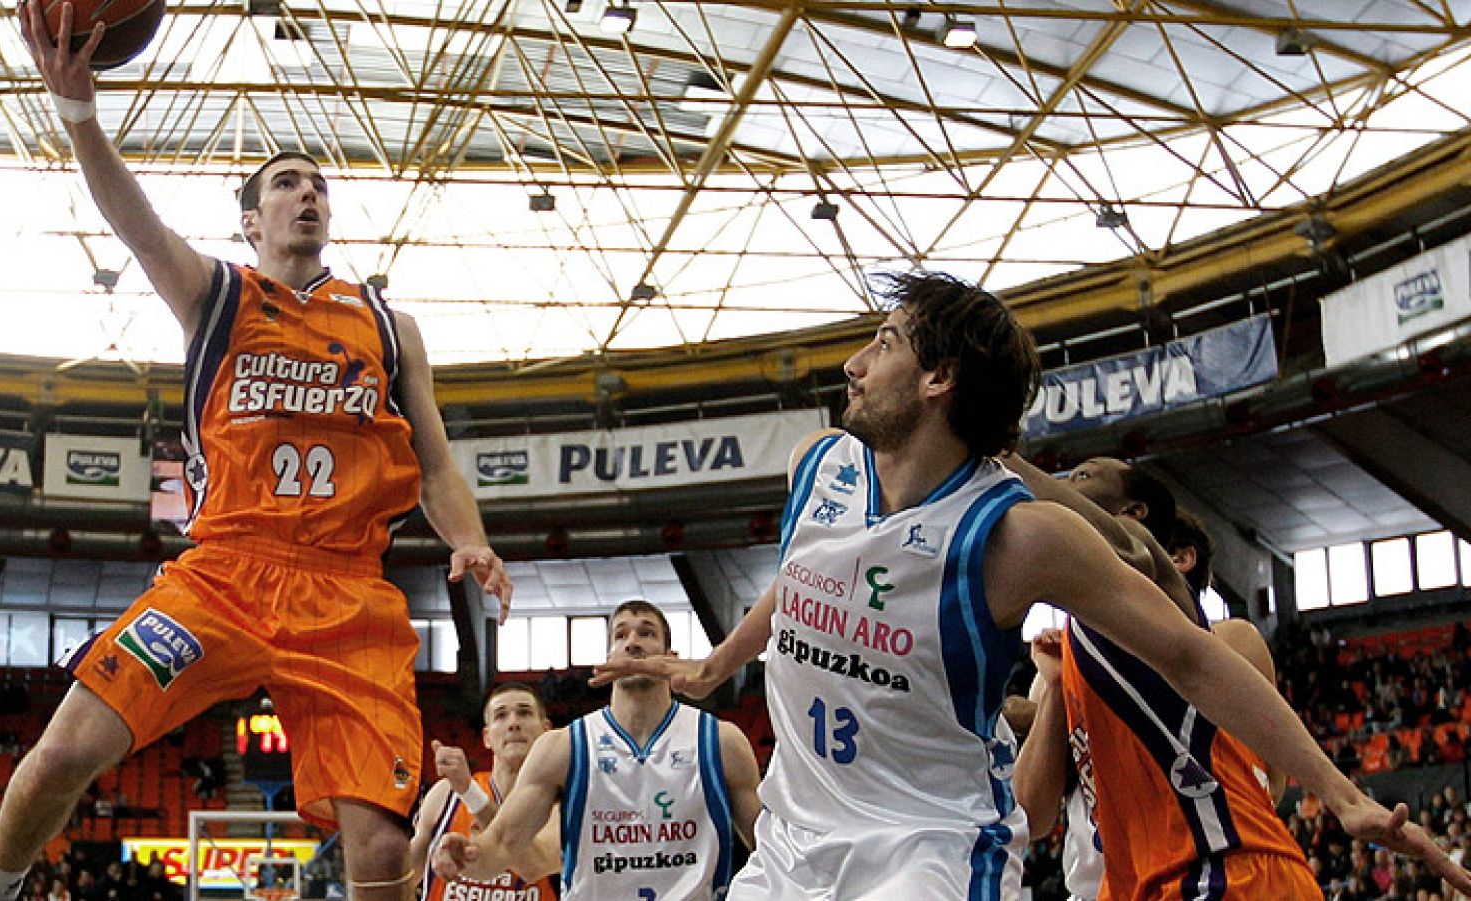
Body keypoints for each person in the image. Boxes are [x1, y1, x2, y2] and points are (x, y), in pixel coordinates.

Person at [591, 271, 1471, 900]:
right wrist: (719, 664)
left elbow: (1192, 657)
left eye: (884, 342)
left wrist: (1343, 791)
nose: (854, 363)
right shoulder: (817, 464)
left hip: (924, 850)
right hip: (790, 842)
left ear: (939, 380)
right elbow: (800, 581)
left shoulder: (1015, 536)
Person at [0, 10, 515, 901]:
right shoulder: (218, 293)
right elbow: (135, 222)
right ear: (252, 221)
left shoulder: (387, 323)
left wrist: (469, 537)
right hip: (223, 573)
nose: (309, 196)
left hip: (347, 591)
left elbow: (438, 464)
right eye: (288, 186)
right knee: (63, 750)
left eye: (318, 187)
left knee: (381, 854)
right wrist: (79, 115)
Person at [1011, 454, 1299, 899]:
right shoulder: (1063, 655)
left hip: (1208, 869)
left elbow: (1268, 784)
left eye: (1083, 476)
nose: (1069, 483)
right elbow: (1031, 816)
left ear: (1179, 558)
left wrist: (994, 447)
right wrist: (1052, 690)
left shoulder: (1229, 640)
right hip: (1108, 887)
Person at [432, 600, 762, 900]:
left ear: (671, 657)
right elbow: (504, 847)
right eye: (620, 635)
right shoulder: (563, 747)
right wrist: (468, 857)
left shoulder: (721, 742)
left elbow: (771, 849)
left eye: (647, 633)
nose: (632, 642)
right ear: (608, 658)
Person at [405, 683, 560, 900]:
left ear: (547, 731)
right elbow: (404, 878)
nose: (513, 723)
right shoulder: (446, 794)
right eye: (501, 716)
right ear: (487, 737)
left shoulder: (562, 803)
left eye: (524, 713)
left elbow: (533, 865)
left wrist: (469, 792)